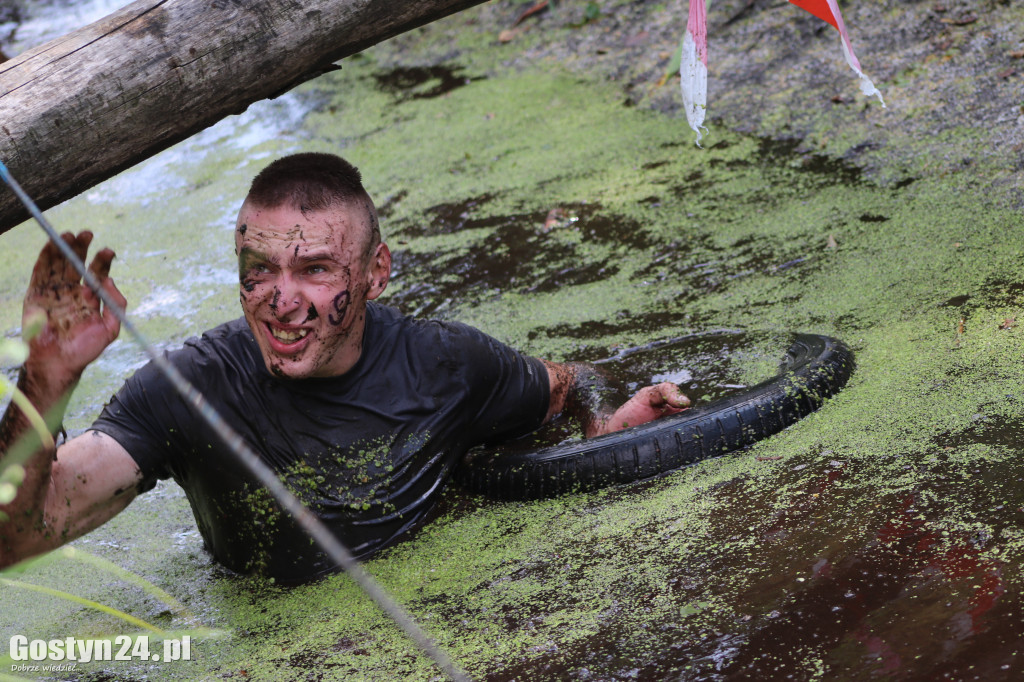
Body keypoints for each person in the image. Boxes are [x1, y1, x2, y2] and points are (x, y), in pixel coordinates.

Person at [0, 153, 689, 582]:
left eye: (315, 269)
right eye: (259, 270)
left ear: (374, 274)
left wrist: (605, 427)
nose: (282, 301)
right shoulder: (184, 389)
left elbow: (573, 383)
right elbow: (17, 538)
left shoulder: (448, 364)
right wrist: (48, 377)